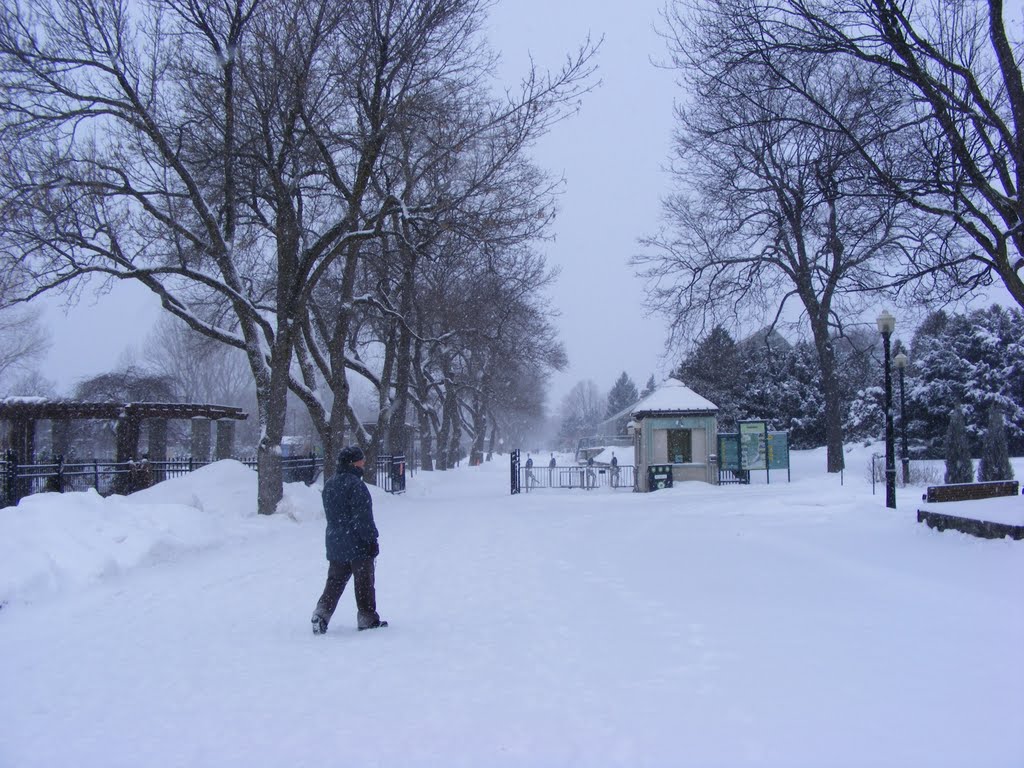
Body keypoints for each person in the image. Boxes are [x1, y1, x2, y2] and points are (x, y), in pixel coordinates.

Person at [311, 445, 387, 634]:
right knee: (364, 584)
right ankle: (367, 618)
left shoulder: (330, 484)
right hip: (358, 544)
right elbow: (363, 518)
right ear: (354, 462)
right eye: (362, 460)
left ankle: (321, 614)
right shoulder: (356, 485)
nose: (364, 463)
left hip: (336, 542)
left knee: (334, 582)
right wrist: (371, 540)